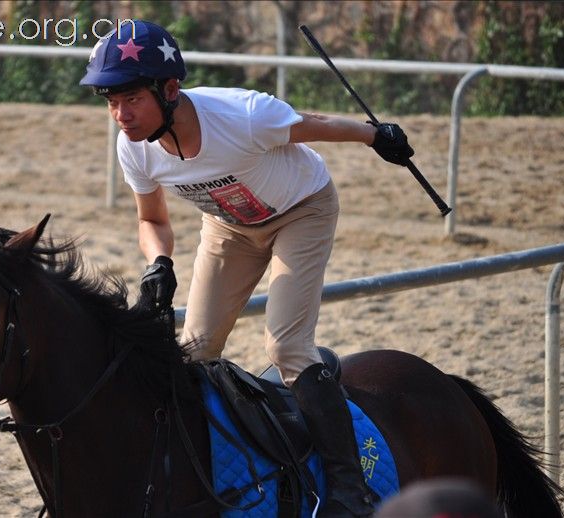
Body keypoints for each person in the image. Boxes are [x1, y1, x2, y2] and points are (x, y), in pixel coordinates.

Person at [80, 20, 414, 517]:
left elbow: (313, 123)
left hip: (302, 210)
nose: (120, 115)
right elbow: (151, 220)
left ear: (169, 89)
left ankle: (349, 489)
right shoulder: (134, 148)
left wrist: (374, 135)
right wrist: (159, 263)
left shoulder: (243, 116)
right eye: (110, 101)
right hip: (229, 226)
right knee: (192, 354)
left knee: (285, 346)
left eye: (131, 99)